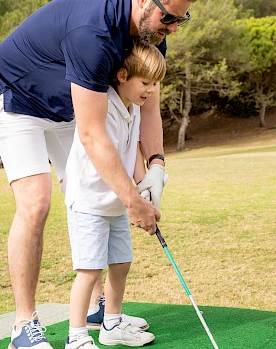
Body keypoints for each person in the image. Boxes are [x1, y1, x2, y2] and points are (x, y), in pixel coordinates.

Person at [0, 0, 198, 349]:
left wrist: (156, 166)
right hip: (16, 100)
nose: (174, 29)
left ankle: (100, 310)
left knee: (89, 193)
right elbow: (94, 134)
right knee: (36, 202)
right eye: (170, 18)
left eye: (182, 20)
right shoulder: (92, 35)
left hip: (69, 106)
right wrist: (132, 201)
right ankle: (22, 326)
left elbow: (147, 107)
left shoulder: (151, 41)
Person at [64, 42, 166, 349]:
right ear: (122, 75)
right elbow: (103, 153)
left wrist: (145, 183)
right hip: (89, 202)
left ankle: (112, 322)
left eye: (155, 84)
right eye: (146, 82)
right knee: (89, 269)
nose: (150, 90)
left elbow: (130, 148)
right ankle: (77, 336)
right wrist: (133, 199)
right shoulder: (104, 104)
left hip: (117, 202)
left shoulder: (132, 107)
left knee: (121, 263)